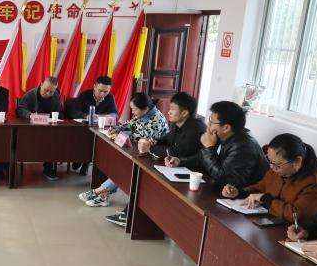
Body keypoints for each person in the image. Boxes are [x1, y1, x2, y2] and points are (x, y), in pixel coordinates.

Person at [93, 93, 169, 225]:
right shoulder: (141, 114)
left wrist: (122, 134)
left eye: (134, 109)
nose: (132, 112)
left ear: (145, 108)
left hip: (154, 157)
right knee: (122, 162)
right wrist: (115, 129)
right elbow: (129, 124)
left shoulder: (157, 119)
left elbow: (145, 139)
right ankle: (104, 189)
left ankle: (103, 190)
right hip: (138, 150)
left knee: (128, 166)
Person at [221, 133, 317, 224]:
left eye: (277, 164)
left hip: (302, 236)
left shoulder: (316, 183)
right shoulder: (277, 170)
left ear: (297, 161)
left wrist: (265, 199)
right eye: (269, 161)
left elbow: (296, 215)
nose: (272, 168)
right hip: (273, 223)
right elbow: (261, 188)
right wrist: (239, 192)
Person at [170, 100, 267, 188]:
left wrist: (209, 148)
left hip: (244, 197)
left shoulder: (242, 146)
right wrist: (181, 161)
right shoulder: (226, 134)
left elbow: (225, 181)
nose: (208, 125)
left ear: (226, 128)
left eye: (212, 121)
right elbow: (203, 159)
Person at [66, 75, 118, 175]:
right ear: (95, 86)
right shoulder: (85, 95)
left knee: (97, 141)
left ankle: (85, 164)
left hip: (99, 129)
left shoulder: (110, 98)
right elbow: (73, 111)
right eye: (100, 90)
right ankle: (80, 159)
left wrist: (109, 116)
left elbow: (115, 114)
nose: (102, 94)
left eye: (106, 92)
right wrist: (87, 116)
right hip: (83, 128)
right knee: (86, 139)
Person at [17, 76, 63, 181]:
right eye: (46, 90)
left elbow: (59, 112)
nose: (48, 93)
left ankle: (48, 168)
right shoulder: (31, 94)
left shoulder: (56, 95)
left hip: (49, 128)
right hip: (32, 128)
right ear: (41, 84)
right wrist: (30, 115)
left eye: (51, 92)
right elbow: (20, 109)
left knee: (53, 139)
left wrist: (56, 118)